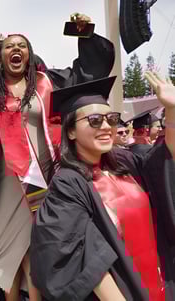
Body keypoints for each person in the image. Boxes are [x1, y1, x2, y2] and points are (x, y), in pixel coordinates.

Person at [0, 13, 115, 301]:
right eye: (8, 47)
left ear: (30, 54)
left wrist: (84, 33)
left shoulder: (49, 82)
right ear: (0, 58)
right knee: (12, 255)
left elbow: (87, 71)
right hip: (8, 185)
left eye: (22, 46)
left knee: (44, 245)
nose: (15, 50)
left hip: (50, 179)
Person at [30, 73, 175, 300]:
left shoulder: (126, 162)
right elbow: (82, 257)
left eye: (112, 119)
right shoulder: (68, 184)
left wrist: (173, 112)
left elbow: (165, 160)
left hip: (162, 282)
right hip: (125, 291)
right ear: (70, 131)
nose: (107, 126)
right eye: (95, 120)